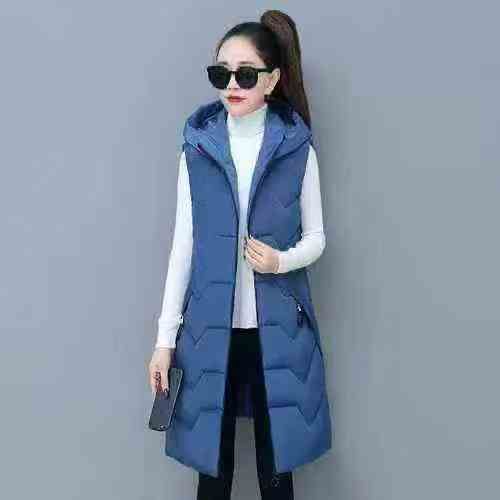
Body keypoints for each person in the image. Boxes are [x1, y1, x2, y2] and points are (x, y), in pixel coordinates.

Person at [148, 9, 333, 499]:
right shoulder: (197, 150)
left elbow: (317, 238)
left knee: (277, 471)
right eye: (221, 74)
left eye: (246, 75)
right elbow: (182, 247)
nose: (232, 85)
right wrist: (165, 340)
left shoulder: (297, 150)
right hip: (210, 332)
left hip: (278, 332)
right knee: (212, 473)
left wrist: (279, 261)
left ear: (272, 80)